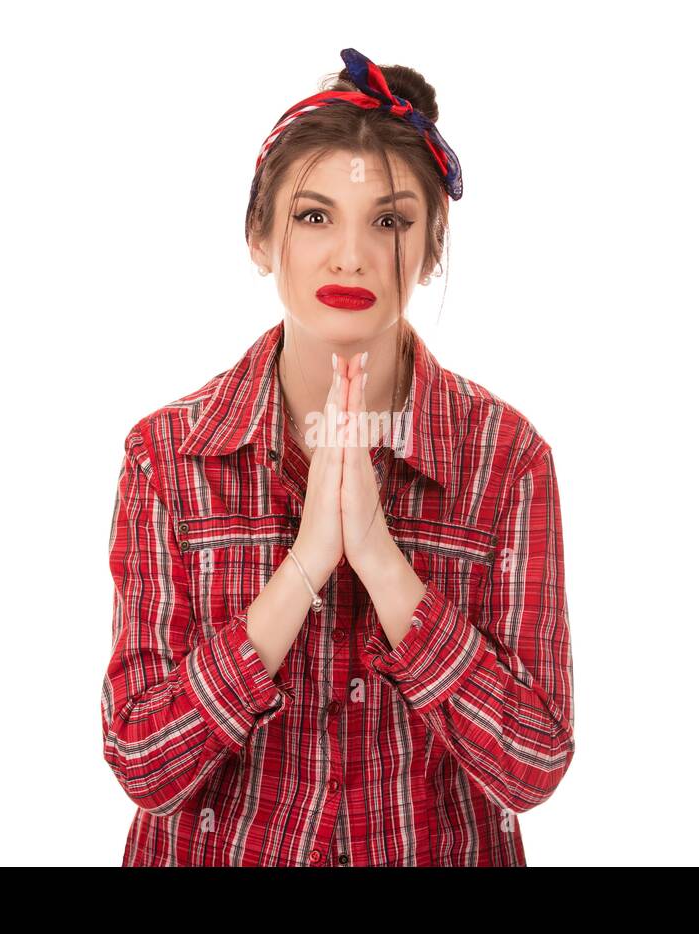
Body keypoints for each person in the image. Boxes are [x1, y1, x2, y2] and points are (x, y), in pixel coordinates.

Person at [101, 48, 574, 866]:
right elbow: (143, 761)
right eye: (314, 217)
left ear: (431, 249)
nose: (350, 255)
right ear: (259, 236)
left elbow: (531, 765)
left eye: (389, 221)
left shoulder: (508, 460)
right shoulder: (166, 458)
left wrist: (384, 565)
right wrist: (305, 567)